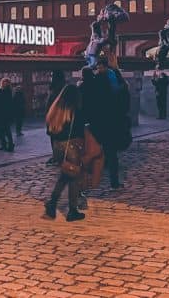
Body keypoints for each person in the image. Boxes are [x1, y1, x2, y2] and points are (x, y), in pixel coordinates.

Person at [43, 85, 86, 222]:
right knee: (73, 178)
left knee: (65, 176)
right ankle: (72, 211)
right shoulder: (74, 109)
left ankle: (52, 204)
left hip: (57, 147)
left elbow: (49, 131)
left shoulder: (55, 109)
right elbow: (79, 128)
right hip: (72, 146)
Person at [87, 58, 131, 189]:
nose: (99, 69)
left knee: (105, 152)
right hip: (111, 122)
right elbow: (123, 100)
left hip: (101, 123)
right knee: (110, 153)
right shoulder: (114, 83)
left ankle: (103, 180)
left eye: (100, 67)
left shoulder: (96, 81)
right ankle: (113, 182)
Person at [45, 70, 67, 165]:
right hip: (64, 117)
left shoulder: (54, 89)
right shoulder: (65, 88)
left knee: (55, 138)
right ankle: (61, 156)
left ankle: (57, 157)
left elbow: (50, 104)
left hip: (54, 117)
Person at [0, 78, 15, 152]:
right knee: (0, 130)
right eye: (4, 82)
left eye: (7, 82)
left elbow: (9, 103)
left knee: (6, 130)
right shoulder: (0, 90)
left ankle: (10, 145)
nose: (5, 83)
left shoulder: (8, 91)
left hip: (5, 113)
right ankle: (3, 144)